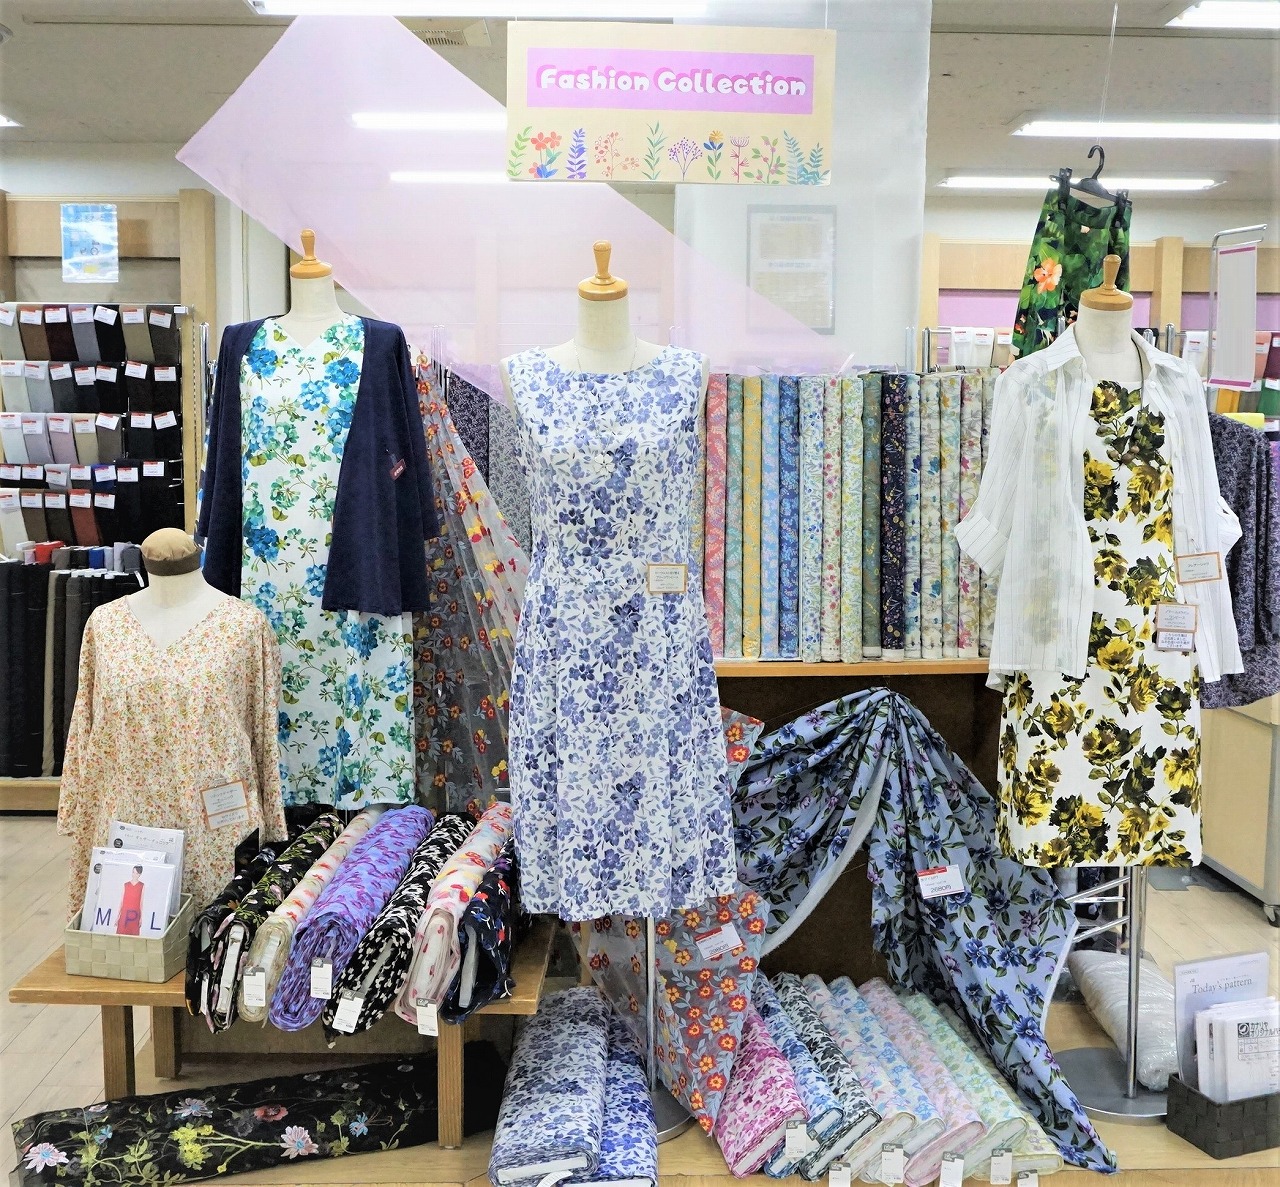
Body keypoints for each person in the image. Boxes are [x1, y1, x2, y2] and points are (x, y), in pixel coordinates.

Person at [116, 866, 145, 936]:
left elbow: (141, 902)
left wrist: (141, 918)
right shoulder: (126, 885)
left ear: (140, 874)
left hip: (135, 915)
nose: (134, 875)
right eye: (133, 872)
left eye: (137, 873)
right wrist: (117, 917)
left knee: (133, 936)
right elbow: (121, 902)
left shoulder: (142, 885)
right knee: (121, 935)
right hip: (125, 914)